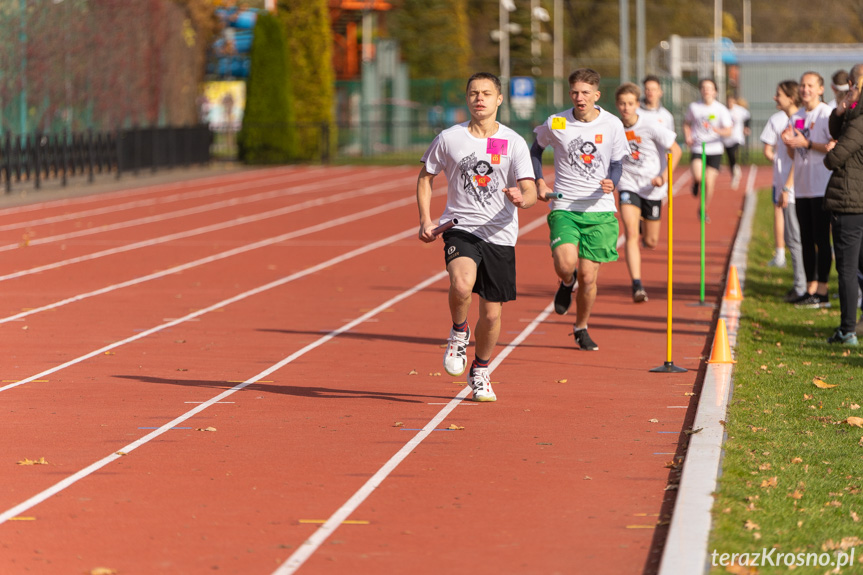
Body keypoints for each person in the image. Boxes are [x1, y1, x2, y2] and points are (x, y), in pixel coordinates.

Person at [417, 72, 537, 402]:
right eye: (473, 93)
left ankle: (480, 369)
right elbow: (425, 177)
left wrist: (521, 199)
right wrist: (426, 219)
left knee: (493, 314)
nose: (479, 98)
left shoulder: (513, 142)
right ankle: (458, 331)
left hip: (500, 233)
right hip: (461, 227)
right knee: (461, 283)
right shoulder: (449, 138)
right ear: (467, 98)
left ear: (499, 99)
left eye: (486, 93)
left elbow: (529, 189)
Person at [530, 68, 628, 350]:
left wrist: (613, 181)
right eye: (574, 92)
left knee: (589, 277)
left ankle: (581, 326)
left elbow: (618, 162)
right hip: (565, 205)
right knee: (565, 264)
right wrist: (539, 181)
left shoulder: (611, 124)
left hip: (599, 210)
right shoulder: (557, 122)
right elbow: (535, 151)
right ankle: (565, 281)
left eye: (585, 93)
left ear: (597, 95)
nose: (579, 97)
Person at [613, 82, 682, 302]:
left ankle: (644, 224)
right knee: (631, 233)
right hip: (628, 184)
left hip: (652, 187)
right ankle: (637, 284)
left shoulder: (651, 126)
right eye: (622, 104)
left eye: (630, 103)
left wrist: (664, 176)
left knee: (650, 242)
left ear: (637, 104)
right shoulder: (612, 127)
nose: (626, 108)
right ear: (617, 105)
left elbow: (676, 150)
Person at [781, 71, 834, 308]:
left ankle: (822, 290)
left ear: (820, 89)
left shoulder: (827, 114)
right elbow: (795, 153)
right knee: (805, 239)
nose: (805, 90)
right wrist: (789, 143)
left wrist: (808, 143)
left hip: (822, 186)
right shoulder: (797, 116)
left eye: (810, 85)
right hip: (802, 187)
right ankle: (810, 288)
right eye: (802, 85)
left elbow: (834, 148)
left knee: (822, 240)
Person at [823, 64, 863, 344]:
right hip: (853, 198)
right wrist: (840, 111)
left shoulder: (860, 119)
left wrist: (830, 154)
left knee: (847, 269)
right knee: (856, 266)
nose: (853, 90)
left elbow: (836, 156)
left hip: (851, 200)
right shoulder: (854, 113)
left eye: (856, 86)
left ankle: (848, 329)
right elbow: (839, 126)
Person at [760, 80, 807, 302]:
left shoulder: (799, 120)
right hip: (788, 186)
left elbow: (798, 159)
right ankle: (801, 285)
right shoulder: (786, 120)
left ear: (790, 97)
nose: (774, 97)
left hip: (797, 188)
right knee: (794, 238)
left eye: (778, 94)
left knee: (796, 239)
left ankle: (802, 287)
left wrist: (787, 186)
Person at [683, 78, 733, 221]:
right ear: (700, 90)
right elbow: (686, 123)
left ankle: (703, 209)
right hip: (699, 147)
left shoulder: (720, 109)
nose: (706, 91)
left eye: (710, 88)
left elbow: (729, 130)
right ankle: (696, 182)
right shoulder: (694, 107)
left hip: (715, 149)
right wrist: (688, 136)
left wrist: (719, 131)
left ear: (715, 92)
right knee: (699, 177)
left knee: (709, 183)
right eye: (704, 88)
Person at [723, 94, 751, 190]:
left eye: (731, 101)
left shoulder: (739, 110)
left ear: (734, 102)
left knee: (733, 153)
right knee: (730, 158)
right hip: (726, 138)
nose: (730, 103)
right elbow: (714, 117)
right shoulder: (724, 111)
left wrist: (747, 127)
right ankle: (734, 174)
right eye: (728, 101)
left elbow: (748, 116)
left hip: (737, 137)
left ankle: (736, 169)